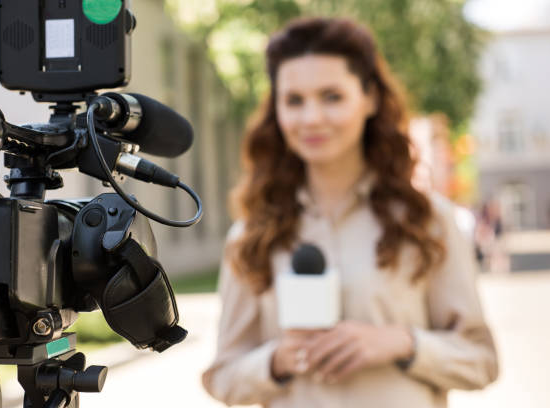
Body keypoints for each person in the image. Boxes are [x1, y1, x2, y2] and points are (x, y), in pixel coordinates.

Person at [202, 17, 498, 407]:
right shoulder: (251, 235)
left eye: (331, 97)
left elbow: (482, 361)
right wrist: (275, 361)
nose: (311, 118)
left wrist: (403, 342)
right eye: (294, 100)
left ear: (370, 98)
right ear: (277, 110)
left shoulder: (426, 220)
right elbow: (223, 378)